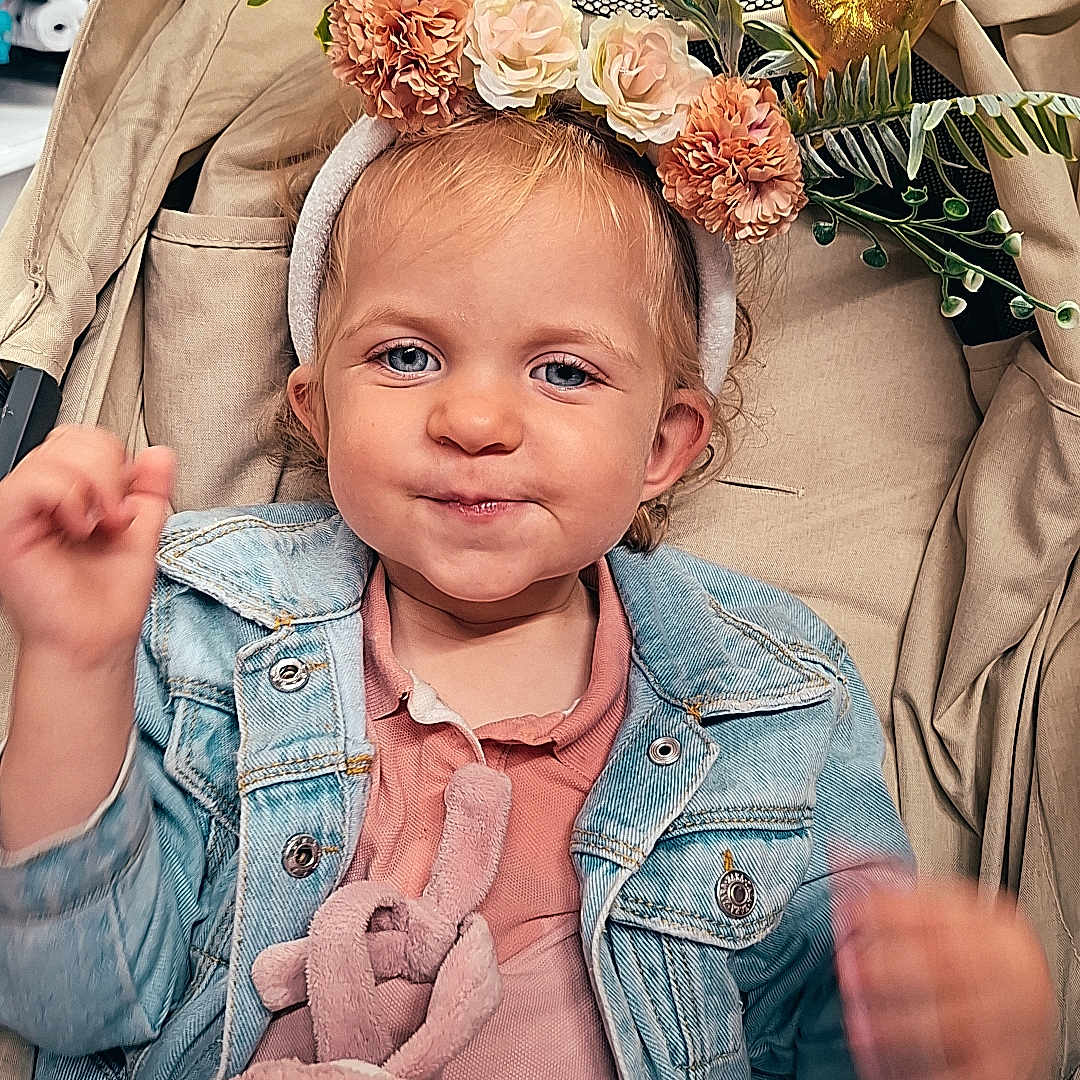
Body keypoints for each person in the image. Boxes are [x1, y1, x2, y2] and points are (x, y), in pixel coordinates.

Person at [0, 3, 1059, 1077]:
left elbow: (831, 1032)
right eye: (408, 357)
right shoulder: (204, 624)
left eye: (563, 373)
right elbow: (75, 1000)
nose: (475, 423)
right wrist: (72, 665)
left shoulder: (769, 691)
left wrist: (947, 1020)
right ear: (315, 408)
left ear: (664, 443)